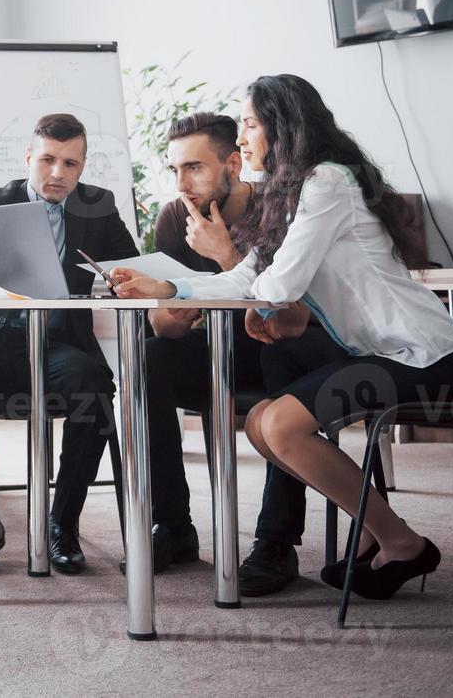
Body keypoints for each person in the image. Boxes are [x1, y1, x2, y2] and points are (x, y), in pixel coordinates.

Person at [114, 74, 453, 600]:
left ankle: (401, 542)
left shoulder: (327, 182)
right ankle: (384, 534)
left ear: (282, 128)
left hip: (427, 355)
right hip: (382, 352)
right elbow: (249, 279)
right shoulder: (295, 193)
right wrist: (169, 286)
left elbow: (278, 285)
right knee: (263, 425)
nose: (242, 139)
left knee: (280, 426)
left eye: (250, 125)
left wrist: (199, 285)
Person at [0, 113, 139, 578]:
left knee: (93, 388)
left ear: (83, 166)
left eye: (70, 163)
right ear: (29, 158)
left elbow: (132, 269)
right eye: (47, 160)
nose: (58, 173)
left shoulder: (97, 206)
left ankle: (62, 524)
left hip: (53, 345)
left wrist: (124, 281)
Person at [141, 112, 331, 595]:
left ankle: (275, 542)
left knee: (280, 357)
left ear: (232, 163)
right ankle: (174, 527)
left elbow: (290, 315)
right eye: (175, 170)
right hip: (217, 348)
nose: (183, 183)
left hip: (279, 342)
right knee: (148, 360)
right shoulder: (173, 217)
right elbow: (162, 322)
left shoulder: (283, 209)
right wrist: (172, 315)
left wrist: (226, 255)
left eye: (195, 168)